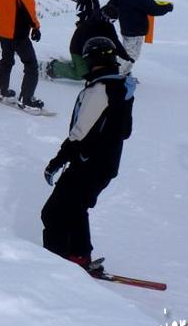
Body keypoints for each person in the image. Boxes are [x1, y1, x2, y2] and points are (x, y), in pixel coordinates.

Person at [40, 36, 137, 275]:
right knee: (74, 208)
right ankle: (78, 256)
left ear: (93, 59)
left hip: (88, 163)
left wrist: (57, 162)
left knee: (54, 213)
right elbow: (123, 131)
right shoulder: (119, 87)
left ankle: (57, 266)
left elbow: (79, 133)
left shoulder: (101, 90)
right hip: (104, 164)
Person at [106, 0, 174, 75]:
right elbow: (154, 9)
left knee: (132, 54)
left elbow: (109, 7)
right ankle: (116, 76)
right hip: (136, 31)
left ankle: (124, 73)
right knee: (129, 54)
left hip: (127, 30)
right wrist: (168, 7)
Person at [45, 5, 133, 81]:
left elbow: (115, 41)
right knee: (82, 75)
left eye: (114, 21)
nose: (112, 23)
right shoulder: (90, 24)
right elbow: (81, 43)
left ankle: (76, 65)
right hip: (78, 50)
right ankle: (53, 68)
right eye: (111, 20)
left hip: (94, 51)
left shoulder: (108, 25)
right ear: (105, 16)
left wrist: (125, 56)